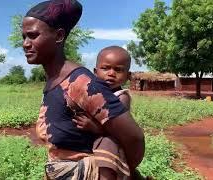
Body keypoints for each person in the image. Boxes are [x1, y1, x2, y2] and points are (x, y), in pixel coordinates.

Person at [22, 0, 145, 179]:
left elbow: (134, 138)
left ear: (58, 36)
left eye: (33, 36)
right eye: (24, 37)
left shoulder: (81, 83)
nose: (25, 43)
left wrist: (122, 171)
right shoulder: (54, 81)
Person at [73, 46, 149, 179]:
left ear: (128, 76)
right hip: (89, 143)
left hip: (112, 141)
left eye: (118, 70)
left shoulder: (121, 97)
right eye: (105, 68)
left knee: (107, 145)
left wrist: (95, 128)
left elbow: (117, 130)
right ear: (95, 72)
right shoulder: (92, 94)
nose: (111, 73)